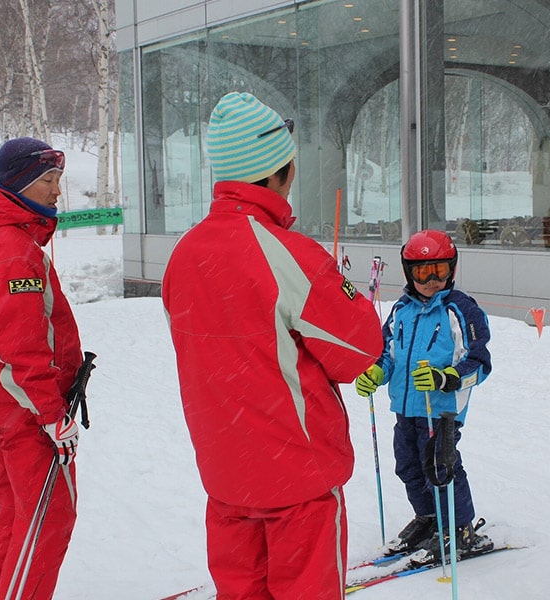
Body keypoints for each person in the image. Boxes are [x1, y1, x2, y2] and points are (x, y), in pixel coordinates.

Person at [161, 92, 383, 599]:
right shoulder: (289, 255)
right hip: (296, 477)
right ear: (278, 172)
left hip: (226, 475)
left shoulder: (184, 254)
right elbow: (362, 348)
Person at [0, 137, 83, 600]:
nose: (56, 191)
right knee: (46, 519)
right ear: (20, 184)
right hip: (25, 413)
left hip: (2, 406)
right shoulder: (11, 250)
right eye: (48, 180)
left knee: (15, 515)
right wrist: (52, 414)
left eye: (58, 180)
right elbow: (19, 348)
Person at [354, 229, 493, 565]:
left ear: (452, 270)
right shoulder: (401, 310)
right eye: (422, 272)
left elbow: (480, 363)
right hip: (406, 407)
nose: (432, 280)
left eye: (440, 271)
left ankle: (459, 528)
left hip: (442, 410)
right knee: (408, 466)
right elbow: (387, 353)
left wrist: (447, 378)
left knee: (440, 468)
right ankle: (430, 518)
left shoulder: (460, 310)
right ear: (408, 272)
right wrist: (376, 371)